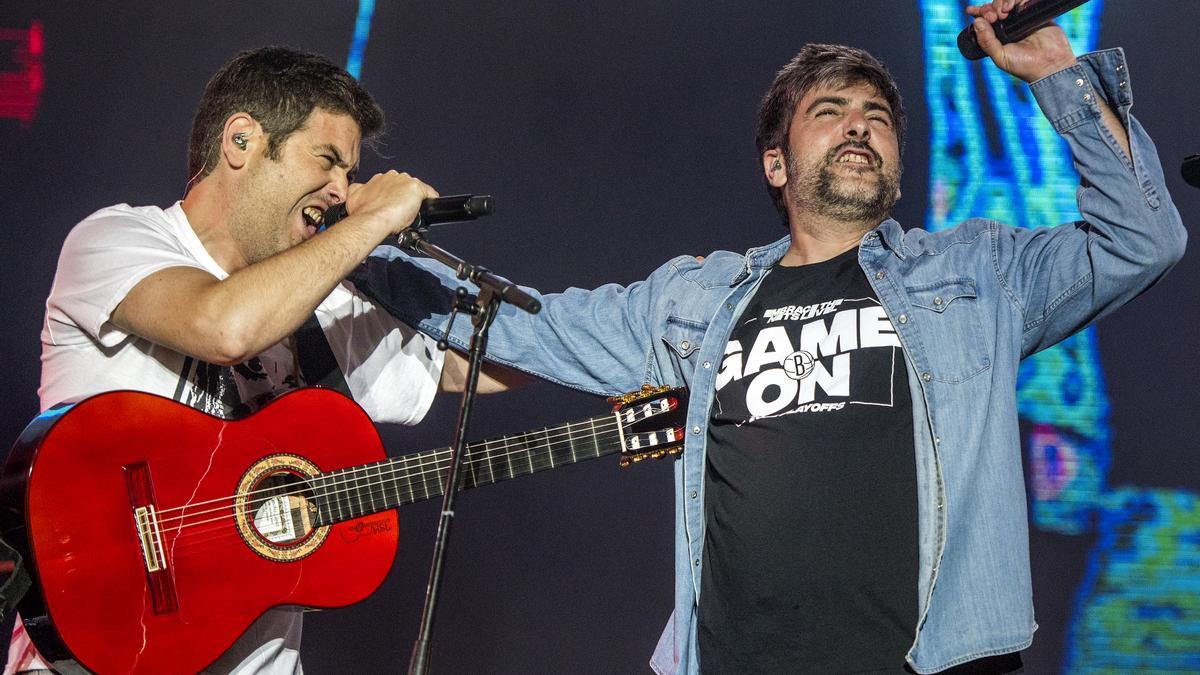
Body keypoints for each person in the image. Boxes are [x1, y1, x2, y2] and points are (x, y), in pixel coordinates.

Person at [355, 1, 1187, 673]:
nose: (860, 126)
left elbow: (1141, 242)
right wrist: (351, 250)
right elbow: (518, 324)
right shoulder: (694, 299)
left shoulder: (978, 274)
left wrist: (1058, 75)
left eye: (877, 117)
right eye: (830, 112)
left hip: (929, 662)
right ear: (777, 165)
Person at [8, 46, 513, 674]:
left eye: (349, 174)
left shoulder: (323, 306)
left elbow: (481, 362)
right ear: (242, 140)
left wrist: (624, 335)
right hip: (95, 656)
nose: (341, 190)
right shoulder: (116, 240)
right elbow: (225, 326)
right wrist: (375, 219)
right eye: (327, 161)